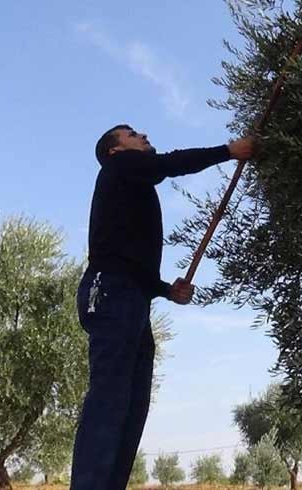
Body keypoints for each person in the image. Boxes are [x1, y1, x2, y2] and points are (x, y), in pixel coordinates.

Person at [71, 124, 255, 490]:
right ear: (115, 150)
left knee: (132, 407)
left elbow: (129, 255)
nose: (142, 135)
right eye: (131, 134)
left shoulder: (132, 183)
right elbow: (172, 164)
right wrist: (229, 151)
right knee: (110, 400)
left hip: (132, 297)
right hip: (109, 292)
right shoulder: (119, 168)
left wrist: (166, 291)